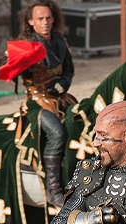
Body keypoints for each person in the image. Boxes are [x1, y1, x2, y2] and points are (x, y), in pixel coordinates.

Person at [18, 0, 75, 207]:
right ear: (31, 21)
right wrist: (13, 62)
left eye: (48, 18)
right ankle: (53, 190)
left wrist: (63, 84)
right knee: (57, 132)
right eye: (40, 19)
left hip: (61, 98)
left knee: (83, 121)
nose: (45, 22)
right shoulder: (26, 46)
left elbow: (68, 70)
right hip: (37, 102)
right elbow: (9, 69)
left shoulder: (60, 41)